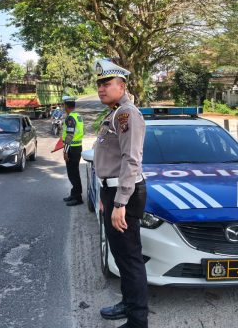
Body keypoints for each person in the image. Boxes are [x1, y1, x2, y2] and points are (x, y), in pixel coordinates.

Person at [93, 58, 148, 328]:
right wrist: (107, 198)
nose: (101, 88)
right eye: (99, 84)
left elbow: (131, 160)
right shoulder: (114, 114)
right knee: (122, 257)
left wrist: (120, 203)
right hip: (113, 192)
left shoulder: (127, 114)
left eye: (107, 83)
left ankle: (138, 321)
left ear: (122, 86)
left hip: (124, 193)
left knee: (130, 258)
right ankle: (128, 304)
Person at [62, 96, 84, 206]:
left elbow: (69, 135)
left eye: (64, 105)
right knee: (74, 172)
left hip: (72, 149)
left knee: (73, 174)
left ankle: (78, 198)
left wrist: (65, 151)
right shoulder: (77, 116)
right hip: (77, 147)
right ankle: (74, 193)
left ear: (66, 105)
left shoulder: (70, 118)